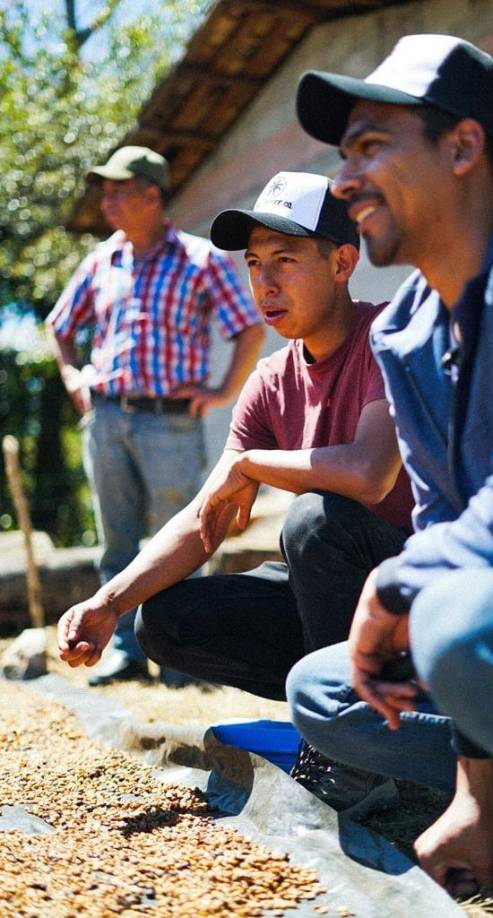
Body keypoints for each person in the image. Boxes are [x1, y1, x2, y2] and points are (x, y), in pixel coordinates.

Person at [285, 34, 493, 916]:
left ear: (463, 146)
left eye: (369, 146)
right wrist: (472, 796)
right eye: (342, 154)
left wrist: (395, 585)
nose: (343, 181)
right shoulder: (406, 333)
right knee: (325, 687)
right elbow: (446, 531)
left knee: (462, 621)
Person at [57, 170, 415, 814]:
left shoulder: (388, 335)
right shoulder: (270, 380)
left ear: (341, 263)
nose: (264, 284)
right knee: (165, 620)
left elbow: (370, 473)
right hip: (342, 610)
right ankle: (342, 720)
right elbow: (208, 517)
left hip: (419, 596)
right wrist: (108, 604)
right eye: (253, 264)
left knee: (315, 520)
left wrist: (250, 462)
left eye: (285, 260)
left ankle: (351, 754)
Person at [47, 145, 264, 686]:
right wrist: (73, 377)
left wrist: (222, 391)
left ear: (151, 195)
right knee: (116, 541)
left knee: (185, 538)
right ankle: (122, 650)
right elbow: (60, 325)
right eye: (104, 192)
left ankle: (179, 660)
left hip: (170, 421)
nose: (106, 202)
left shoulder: (199, 258)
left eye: (118, 191)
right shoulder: (102, 260)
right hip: (106, 419)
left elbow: (248, 326)